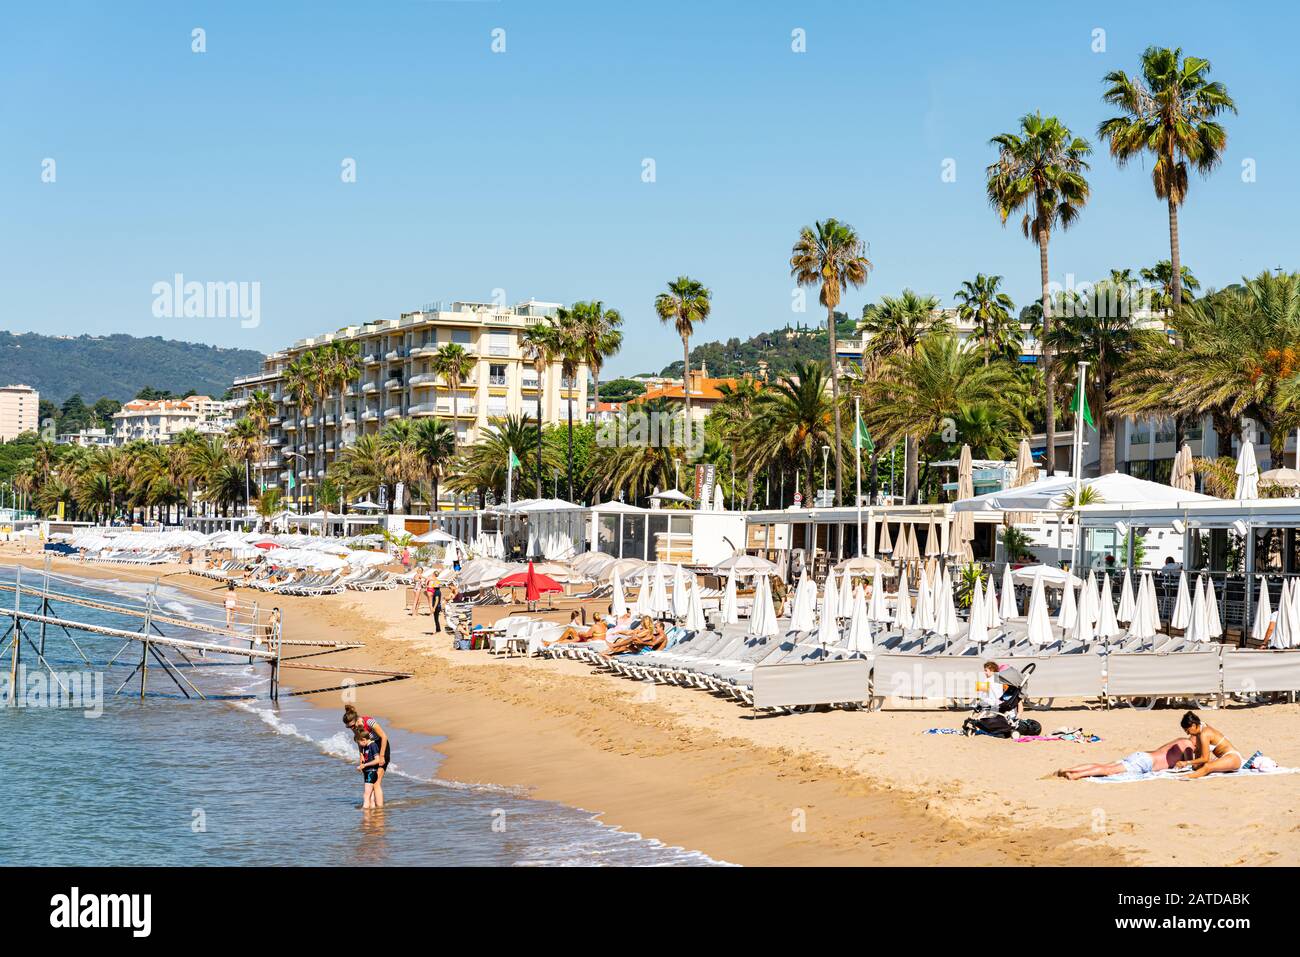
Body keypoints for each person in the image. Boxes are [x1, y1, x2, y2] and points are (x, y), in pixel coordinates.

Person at [1057, 737, 1194, 780]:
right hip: (1145, 762)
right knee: (1107, 771)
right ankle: (1076, 775)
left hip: (1142, 756)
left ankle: (1069, 769)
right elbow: (1189, 765)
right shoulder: (1188, 745)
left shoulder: (1178, 740)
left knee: (1105, 766)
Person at [1175, 711, 1244, 778]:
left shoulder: (1204, 733)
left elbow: (1205, 758)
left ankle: (1186, 777)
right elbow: (1199, 751)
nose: (1187, 733)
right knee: (1198, 767)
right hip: (1225, 758)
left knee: (1207, 766)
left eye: (1188, 730)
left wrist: (1186, 762)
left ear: (1193, 725)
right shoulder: (1201, 727)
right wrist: (1195, 765)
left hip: (1233, 757)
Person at [343, 705, 391, 800]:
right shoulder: (354, 727)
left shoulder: (369, 721)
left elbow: (384, 737)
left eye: (352, 726)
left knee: (376, 782)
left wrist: (381, 756)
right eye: (349, 727)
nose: (352, 728)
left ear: (357, 719)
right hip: (369, 749)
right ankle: (372, 809)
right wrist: (361, 756)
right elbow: (359, 741)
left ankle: (379, 811)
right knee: (371, 782)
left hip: (382, 748)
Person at [355, 729, 384, 808]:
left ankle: (365, 813)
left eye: (359, 743)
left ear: (364, 740)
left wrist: (365, 765)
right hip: (368, 772)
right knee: (370, 796)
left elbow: (377, 760)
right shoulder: (366, 747)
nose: (359, 745)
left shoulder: (372, 746)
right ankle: (373, 814)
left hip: (371, 772)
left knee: (366, 795)